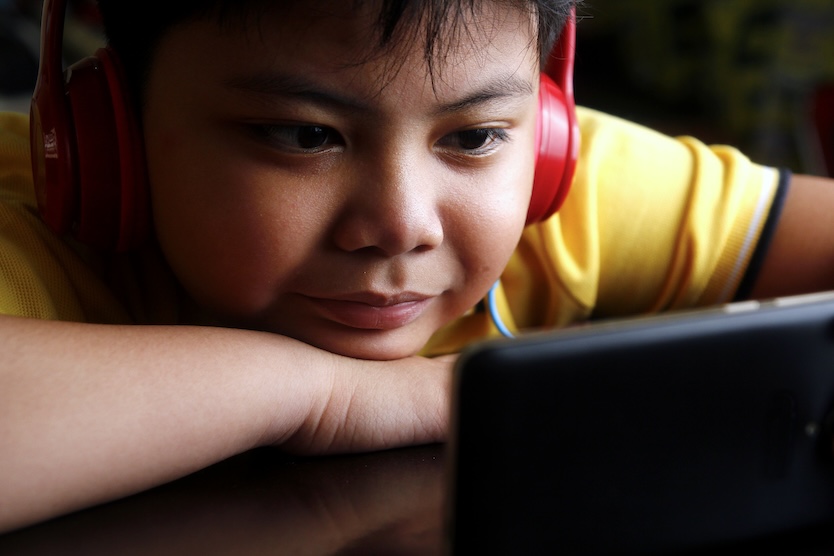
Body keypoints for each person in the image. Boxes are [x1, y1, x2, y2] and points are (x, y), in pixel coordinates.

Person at [2, 0, 834, 534]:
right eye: (304, 135)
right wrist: (327, 397)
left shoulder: (568, 195)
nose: (403, 226)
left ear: (546, 139)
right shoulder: (28, 227)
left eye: (471, 137)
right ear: (103, 132)